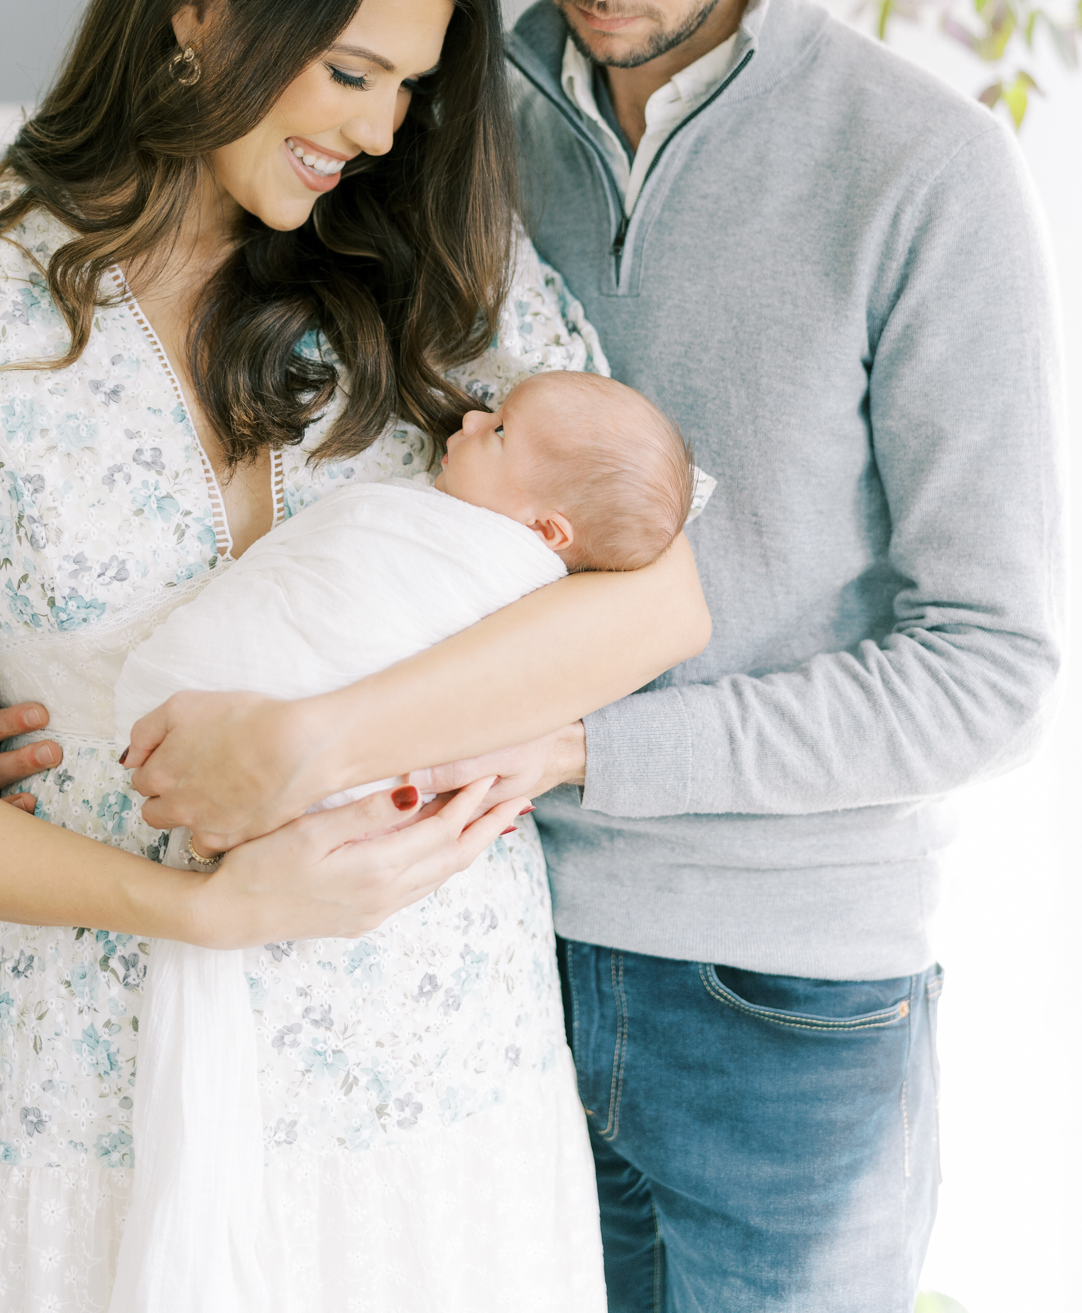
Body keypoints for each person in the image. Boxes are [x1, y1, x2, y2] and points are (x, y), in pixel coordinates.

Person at [106, 0, 1064, 1313]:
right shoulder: (441, 119)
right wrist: (80, 695)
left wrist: (579, 744)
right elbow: (273, 438)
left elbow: (988, 671)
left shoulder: (924, 171)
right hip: (453, 950)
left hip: (781, 992)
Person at [0, 0, 709, 1313]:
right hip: (89, 1088)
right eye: (349, 73)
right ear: (198, 6)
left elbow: (657, 595)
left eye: (409, 88)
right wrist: (205, 906)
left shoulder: (443, 280)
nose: (382, 132)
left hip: (436, 1076)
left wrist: (313, 742)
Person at [107, 369, 698, 1313]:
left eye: (497, 431)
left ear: (546, 535)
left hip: (433, 1048)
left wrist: (310, 739)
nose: (468, 418)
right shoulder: (464, 513)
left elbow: (666, 611)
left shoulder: (491, 560)